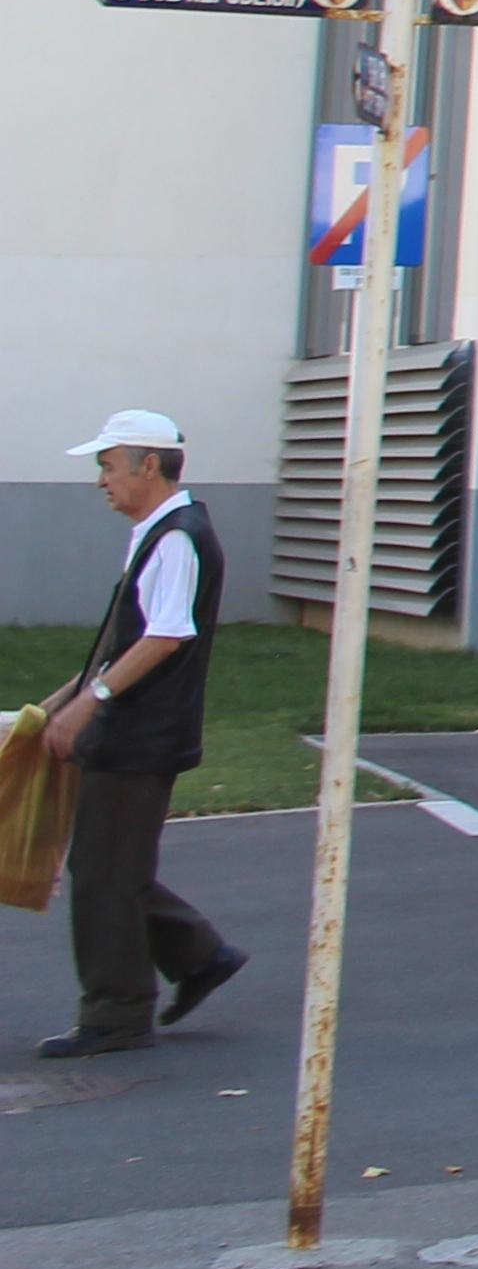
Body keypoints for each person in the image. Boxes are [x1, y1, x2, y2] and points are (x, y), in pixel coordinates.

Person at [35, 413, 245, 1058]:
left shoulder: (177, 538)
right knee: (112, 866)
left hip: (141, 734)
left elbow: (165, 635)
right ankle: (200, 955)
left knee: (104, 875)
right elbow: (131, 634)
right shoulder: (161, 532)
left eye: (108, 465)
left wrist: (90, 702)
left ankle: (118, 1015)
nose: (102, 480)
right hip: (133, 730)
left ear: (148, 465)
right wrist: (70, 694)